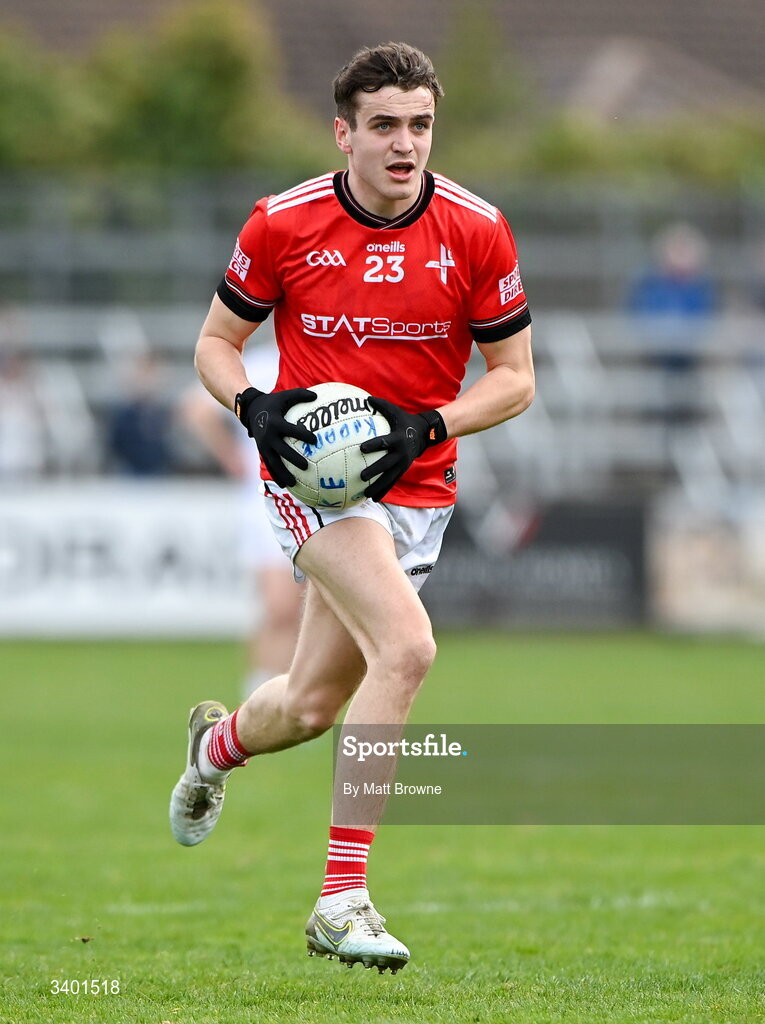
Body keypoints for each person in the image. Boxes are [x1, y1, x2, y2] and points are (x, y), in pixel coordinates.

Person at [169, 41, 534, 973]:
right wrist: (250, 406)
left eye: (418, 126)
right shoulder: (282, 222)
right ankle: (343, 896)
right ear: (344, 134)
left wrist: (429, 426)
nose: (404, 144)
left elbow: (515, 380)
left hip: (417, 486)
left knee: (310, 705)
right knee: (407, 650)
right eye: (383, 127)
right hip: (313, 487)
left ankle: (216, 747)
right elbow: (215, 342)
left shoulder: (476, 228)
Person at [179, 338, 303, 697]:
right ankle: (260, 698)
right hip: (266, 503)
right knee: (280, 606)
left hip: (321, 505)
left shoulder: (328, 360)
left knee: (306, 611)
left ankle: (296, 700)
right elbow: (195, 409)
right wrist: (232, 456)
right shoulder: (260, 364)